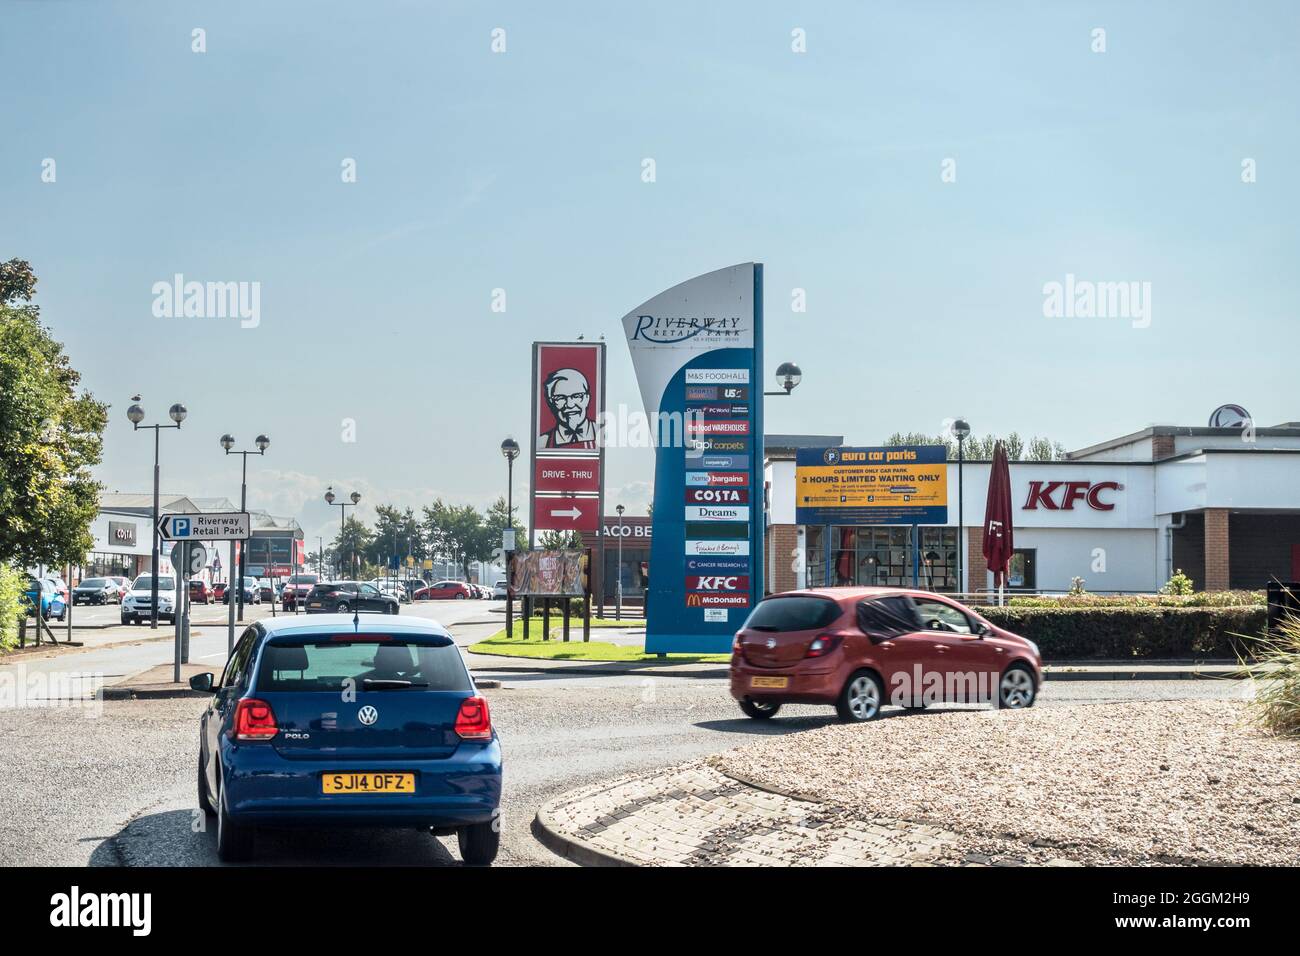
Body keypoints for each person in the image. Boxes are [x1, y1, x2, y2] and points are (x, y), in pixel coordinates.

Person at [538, 368, 597, 448]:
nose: (570, 404)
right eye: (560, 397)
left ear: (587, 398)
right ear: (551, 402)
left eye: (577, 396)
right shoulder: (542, 443)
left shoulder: (602, 435)